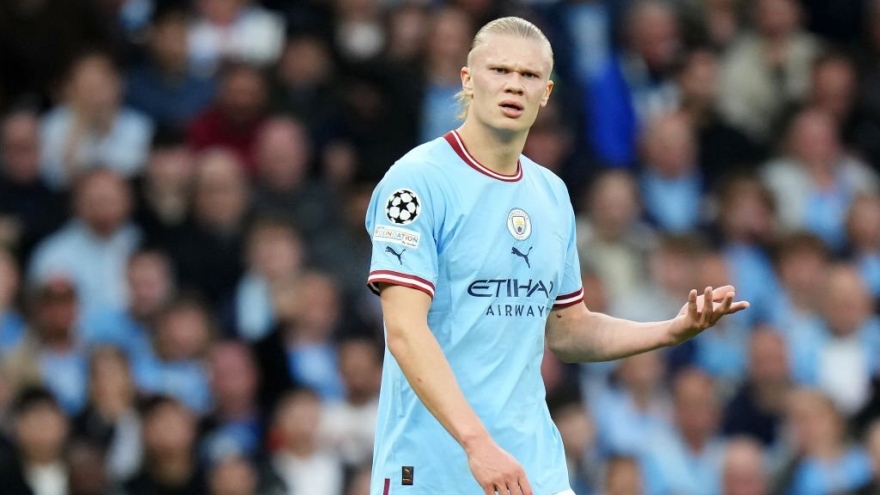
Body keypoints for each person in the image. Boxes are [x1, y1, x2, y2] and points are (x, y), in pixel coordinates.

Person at [365, 16, 749, 495]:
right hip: (433, 469)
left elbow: (569, 330)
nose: (513, 85)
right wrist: (477, 443)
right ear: (468, 79)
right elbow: (404, 331)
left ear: (545, 93)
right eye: (499, 70)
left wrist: (670, 330)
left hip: (533, 468)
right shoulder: (417, 181)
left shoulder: (551, 194)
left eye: (528, 75)